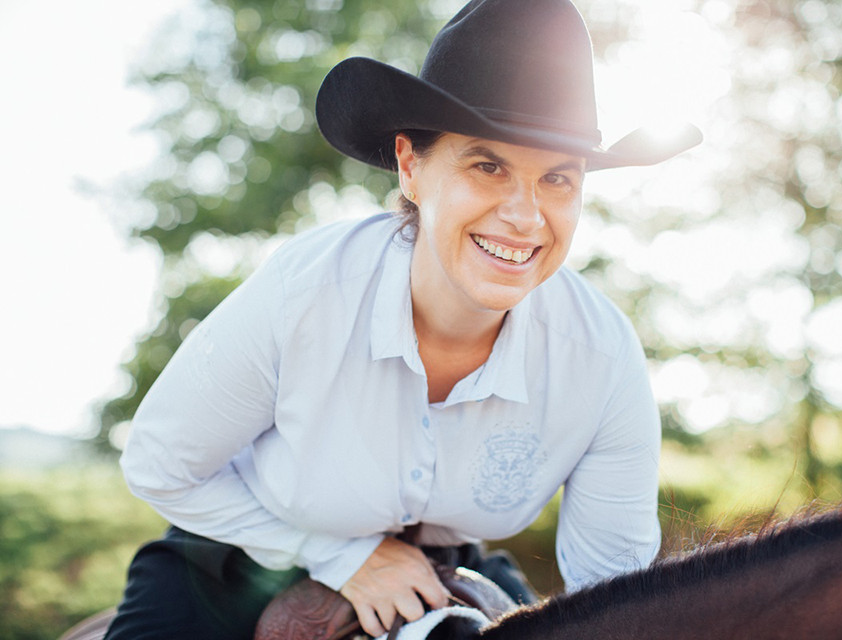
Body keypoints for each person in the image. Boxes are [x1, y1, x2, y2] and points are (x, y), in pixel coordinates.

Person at [106, 0, 702, 638]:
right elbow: (160, 464)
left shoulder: (603, 359)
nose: (527, 218)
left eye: (558, 180)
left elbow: (612, 587)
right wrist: (346, 558)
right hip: (242, 558)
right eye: (488, 166)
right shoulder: (304, 293)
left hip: (444, 570)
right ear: (411, 167)